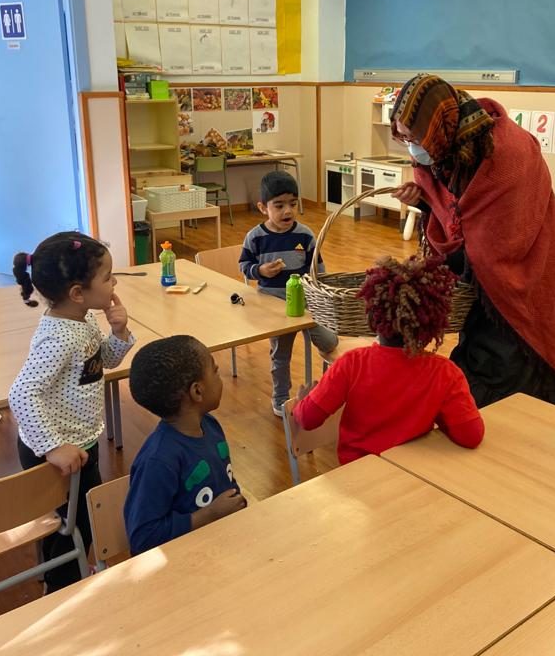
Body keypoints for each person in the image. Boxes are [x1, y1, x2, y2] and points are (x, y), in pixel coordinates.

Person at [390, 74, 555, 411]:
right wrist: (424, 201)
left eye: (414, 137)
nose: (412, 147)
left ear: (435, 127)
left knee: (512, 369)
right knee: (480, 360)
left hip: (525, 275)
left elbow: (501, 236)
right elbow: (458, 215)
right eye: (403, 138)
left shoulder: (507, 152)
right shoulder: (443, 148)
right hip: (482, 285)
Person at [8, 231, 135, 591]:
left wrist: (119, 332)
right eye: (108, 277)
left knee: (76, 518)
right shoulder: (59, 338)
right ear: (78, 293)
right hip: (55, 450)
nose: (114, 282)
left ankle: (66, 571)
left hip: (79, 442)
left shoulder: (83, 319)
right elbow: (21, 393)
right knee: (73, 523)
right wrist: (53, 447)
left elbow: (101, 363)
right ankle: (62, 587)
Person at [292, 255, 484, 464]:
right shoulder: (445, 372)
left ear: (372, 315)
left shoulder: (351, 364)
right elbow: (471, 436)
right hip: (411, 473)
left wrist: (302, 402)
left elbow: (308, 419)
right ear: (434, 323)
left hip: (357, 472)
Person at [124, 335, 246, 555]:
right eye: (215, 371)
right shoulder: (158, 460)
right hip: (190, 560)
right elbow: (142, 538)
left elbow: (223, 481)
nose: (220, 377)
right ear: (197, 391)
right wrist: (210, 514)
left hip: (226, 544)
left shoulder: (209, 424)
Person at [239, 170, 338, 417]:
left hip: (306, 304)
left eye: (293, 204)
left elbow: (318, 268)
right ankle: (281, 398)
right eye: (279, 205)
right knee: (281, 356)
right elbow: (244, 265)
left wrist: (319, 292)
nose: (287, 211)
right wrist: (260, 270)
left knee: (330, 342)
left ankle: (327, 391)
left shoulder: (304, 235)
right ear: (263, 208)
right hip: (274, 306)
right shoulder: (255, 237)